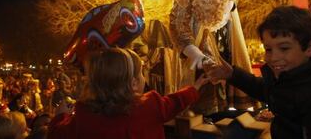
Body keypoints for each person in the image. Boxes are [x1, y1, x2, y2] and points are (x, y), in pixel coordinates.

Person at [206, 6, 311, 139]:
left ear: (309, 48)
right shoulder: (298, 76)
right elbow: (272, 92)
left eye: (284, 48)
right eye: (269, 49)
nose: (273, 57)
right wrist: (232, 75)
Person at [170, 0, 252, 116]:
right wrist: (196, 54)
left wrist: (231, 3)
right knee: (206, 103)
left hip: (229, 43)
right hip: (200, 50)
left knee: (234, 99)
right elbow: (177, 25)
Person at [48, 48, 208, 139]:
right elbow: (175, 102)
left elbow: (57, 135)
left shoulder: (84, 115)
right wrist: (194, 88)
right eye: (141, 73)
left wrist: (60, 116)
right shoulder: (151, 106)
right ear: (133, 83)